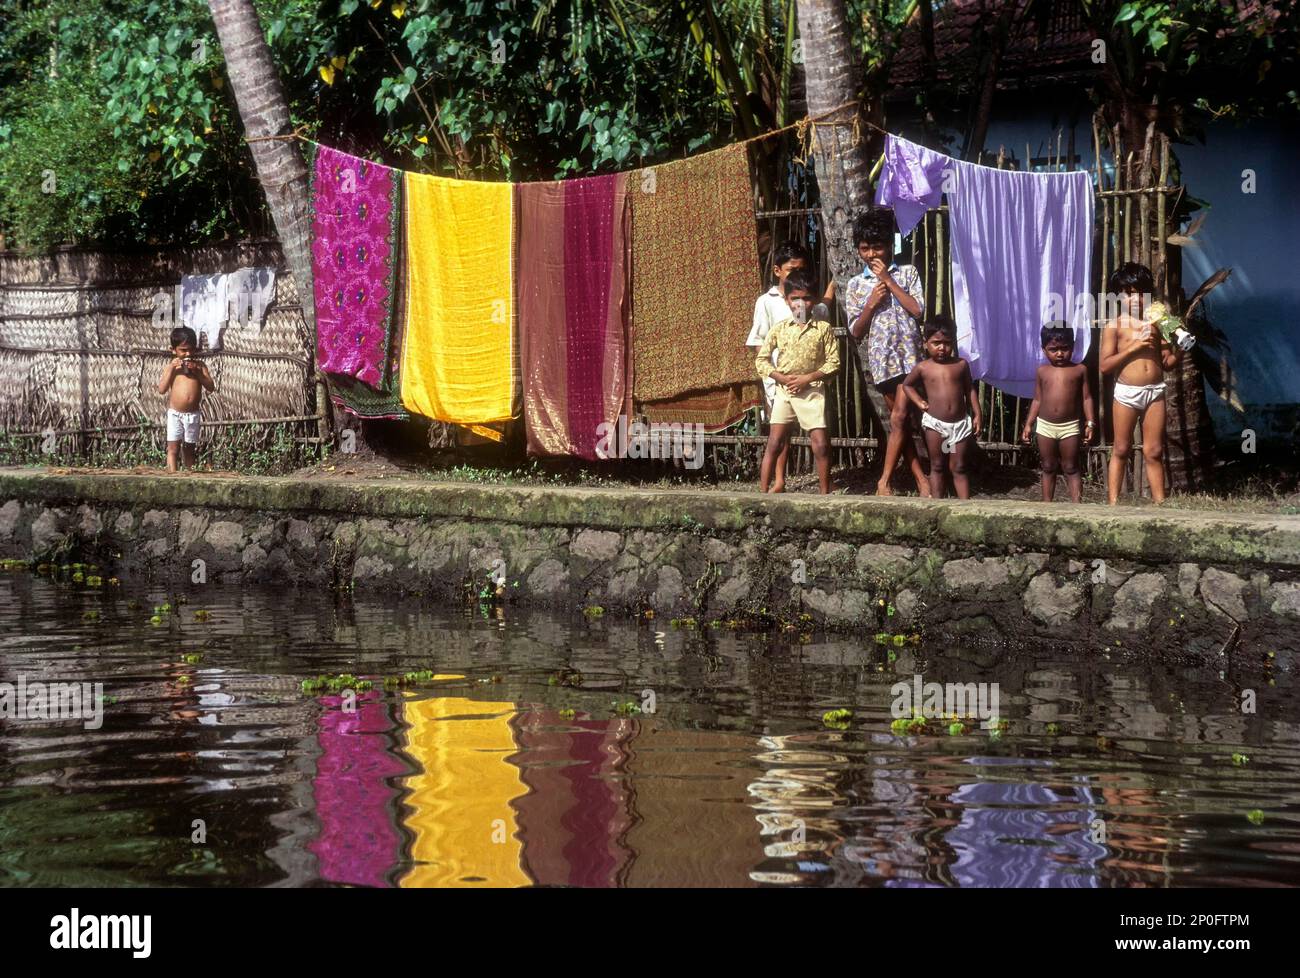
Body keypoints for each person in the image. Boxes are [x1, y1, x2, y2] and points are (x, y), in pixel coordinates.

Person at [843, 208, 930, 497]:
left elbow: (918, 310)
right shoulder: (856, 284)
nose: (871, 254)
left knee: (900, 416)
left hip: (911, 359)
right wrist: (870, 303)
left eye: (876, 246)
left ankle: (884, 481)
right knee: (900, 420)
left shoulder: (907, 273)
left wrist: (890, 284)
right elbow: (856, 331)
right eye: (864, 248)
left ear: (890, 245)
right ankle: (921, 480)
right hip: (883, 362)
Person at [1098, 262, 1182, 504]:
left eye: (1139, 293)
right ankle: (1113, 504)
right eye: (1127, 293)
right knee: (1121, 449)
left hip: (1155, 391)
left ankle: (1160, 504)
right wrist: (1134, 347)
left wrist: (1182, 352)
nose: (1134, 299)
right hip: (1126, 393)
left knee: (1154, 451)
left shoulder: (1157, 323)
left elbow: (1166, 362)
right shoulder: (1114, 326)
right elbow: (1104, 366)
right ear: (1118, 296)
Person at [754, 270, 840, 494]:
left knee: (820, 444)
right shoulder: (779, 329)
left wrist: (807, 378)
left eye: (806, 298)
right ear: (787, 300)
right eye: (795, 298)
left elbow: (834, 362)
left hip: (811, 392)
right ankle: (761, 493)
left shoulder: (823, 329)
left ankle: (823, 493)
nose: (800, 303)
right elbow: (761, 360)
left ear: (815, 300)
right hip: (784, 392)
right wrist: (780, 378)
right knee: (774, 443)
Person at [747, 240, 811, 493]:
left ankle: (781, 480)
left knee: (800, 428)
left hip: (803, 375)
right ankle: (776, 480)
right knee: (778, 430)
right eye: (791, 269)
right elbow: (757, 341)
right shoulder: (766, 301)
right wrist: (773, 372)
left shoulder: (801, 299)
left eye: (800, 269)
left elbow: (805, 330)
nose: (796, 274)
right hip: (777, 377)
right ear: (777, 271)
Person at [900, 318, 981, 499]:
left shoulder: (960, 365)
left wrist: (977, 414)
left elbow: (969, 389)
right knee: (937, 466)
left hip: (959, 424)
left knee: (958, 467)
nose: (942, 348)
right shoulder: (923, 368)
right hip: (935, 424)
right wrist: (920, 402)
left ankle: (965, 509)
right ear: (925, 343)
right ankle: (935, 508)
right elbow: (907, 385)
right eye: (936, 343)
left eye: (947, 343)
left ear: (953, 342)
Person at [1020, 323, 1096, 503]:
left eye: (1065, 348)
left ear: (1073, 346)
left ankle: (1077, 507)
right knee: (1047, 466)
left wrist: (1090, 422)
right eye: (1053, 349)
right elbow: (1037, 400)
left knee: (1071, 467)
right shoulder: (1042, 371)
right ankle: (1047, 506)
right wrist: (1029, 424)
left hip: (1070, 427)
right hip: (1045, 426)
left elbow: (1087, 398)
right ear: (1044, 349)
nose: (1060, 353)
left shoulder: (1079, 370)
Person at [157, 326, 215, 473]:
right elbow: (162, 389)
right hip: (175, 414)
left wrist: (197, 372)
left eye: (191, 349)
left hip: (192, 415)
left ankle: (190, 477)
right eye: (183, 350)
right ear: (173, 350)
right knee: (173, 448)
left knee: (189, 448)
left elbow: (210, 387)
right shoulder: (171, 368)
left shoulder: (200, 366)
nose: (188, 353)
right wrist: (171, 368)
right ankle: (172, 477)